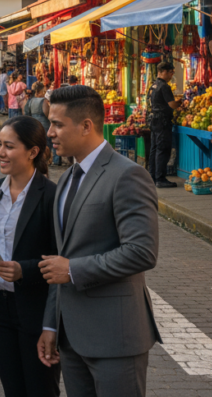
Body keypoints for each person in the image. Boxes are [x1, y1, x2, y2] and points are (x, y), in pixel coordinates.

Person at [38, 85, 161, 397]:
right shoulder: (66, 177)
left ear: (87, 126)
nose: (49, 132)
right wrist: (51, 324)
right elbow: (60, 257)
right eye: (50, 123)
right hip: (71, 337)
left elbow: (141, 251)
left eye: (57, 124)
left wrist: (75, 270)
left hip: (114, 338)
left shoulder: (127, 175)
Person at [0, 116, 60, 397]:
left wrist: (23, 271)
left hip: (36, 309)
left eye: (8, 146)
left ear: (32, 152)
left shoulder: (52, 196)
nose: (0, 153)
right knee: (13, 389)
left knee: (41, 389)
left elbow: (60, 259)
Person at [148, 62, 181, 189]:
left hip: (154, 120)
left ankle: (152, 177)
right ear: (163, 72)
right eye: (170, 72)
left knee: (155, 149)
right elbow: (172, 105)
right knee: (162, 149)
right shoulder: (164, 87)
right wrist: (180, 103)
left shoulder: (153, 85)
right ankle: (160, 179)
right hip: (162, 121)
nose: (171, 75)